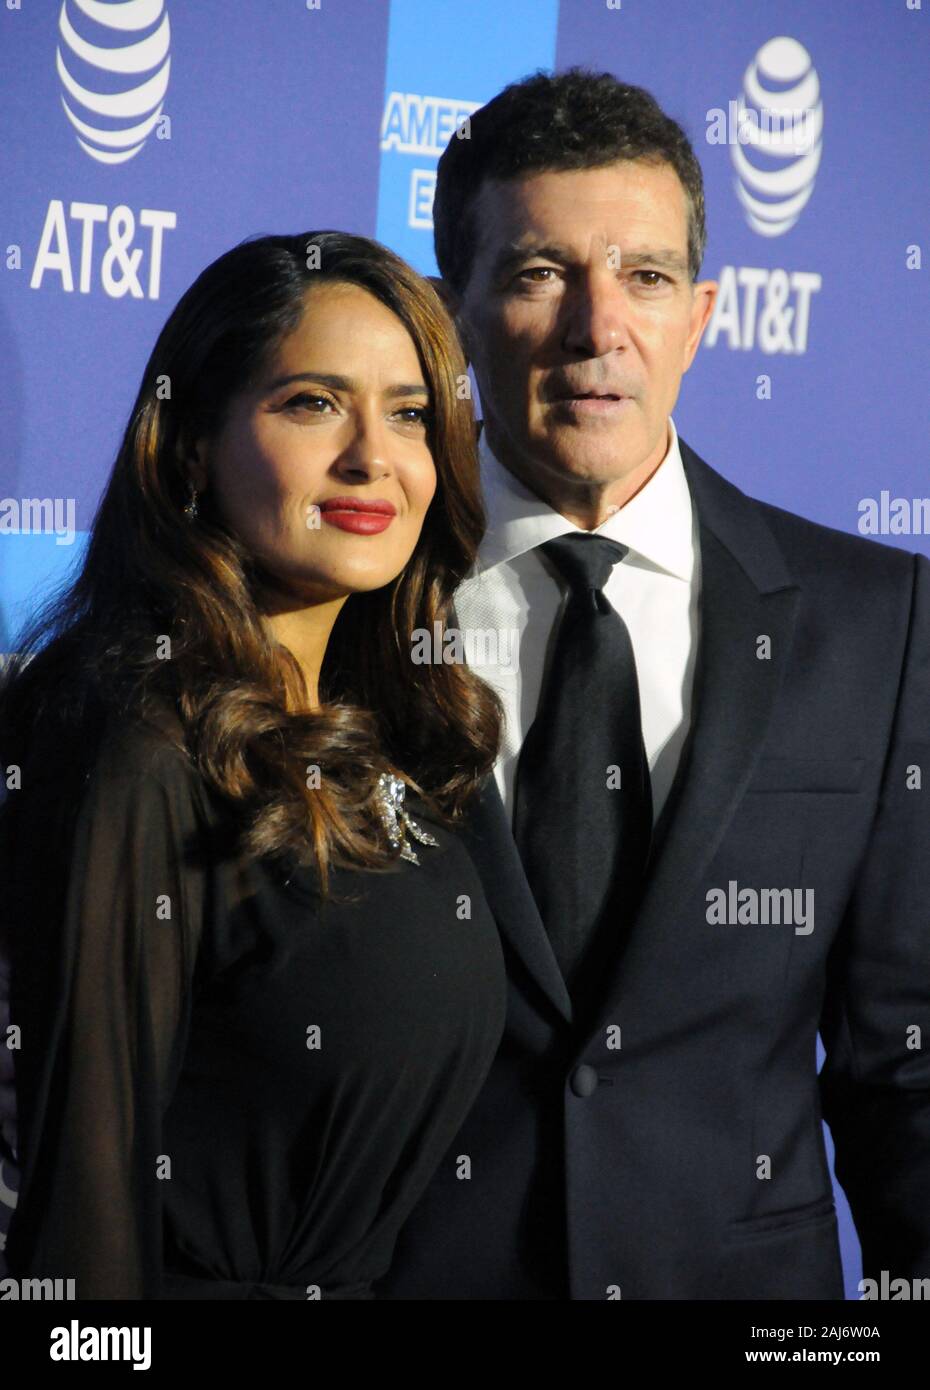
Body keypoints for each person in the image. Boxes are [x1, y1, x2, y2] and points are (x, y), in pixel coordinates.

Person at [378, 68, 930, 1300]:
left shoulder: (875, 622)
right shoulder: (342, 609)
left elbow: (907, 1067)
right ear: (450, 313)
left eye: (645, 276)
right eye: (536, 274)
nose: (596, 328)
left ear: (703, 313)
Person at [0, 230, 507, 1300]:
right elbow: (80, 1218)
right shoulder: (139, 744)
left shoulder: (390, 730)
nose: (374, 456)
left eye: (410, 413)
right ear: (189, 448)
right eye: (313, 403)